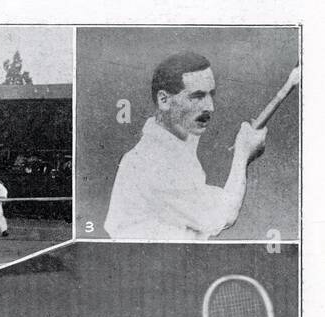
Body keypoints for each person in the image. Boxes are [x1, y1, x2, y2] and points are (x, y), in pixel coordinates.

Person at [104, 52, 268, 240]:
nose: (210, 107)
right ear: (164, 100)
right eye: (197, 96)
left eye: (211, 95)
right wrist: (243, 155)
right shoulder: (155, 161)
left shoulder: (169, 147)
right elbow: (224, 214)